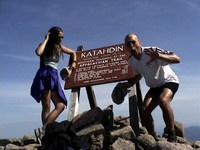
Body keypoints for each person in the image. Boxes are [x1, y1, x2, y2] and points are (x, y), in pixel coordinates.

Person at [120, 33, 180, 142]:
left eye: (133, 42)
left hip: (169, 81)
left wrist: (160, 56)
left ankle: (172, 135)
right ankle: (153, 137)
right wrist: (130, 83)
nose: (131, 45)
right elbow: (139, 74)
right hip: (154, 87)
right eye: (128, 44)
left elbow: (177, 58)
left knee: (163, 101)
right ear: (126, 47)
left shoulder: (150, 51)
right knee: (144, 110)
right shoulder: (131, 61)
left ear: (139, 43)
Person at [30, 27, 77, 142]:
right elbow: (38, 52)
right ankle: (45, 134)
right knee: (46, 107)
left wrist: (73, 64)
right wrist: (46, 40)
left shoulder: (60, 47)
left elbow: (73, 52)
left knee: (60, 105)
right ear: (53, 36)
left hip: (54, 75)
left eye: (62, 38)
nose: (61, 39)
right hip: (45, 74)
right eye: (59, 37)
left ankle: (43, 130)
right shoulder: (45, 45)